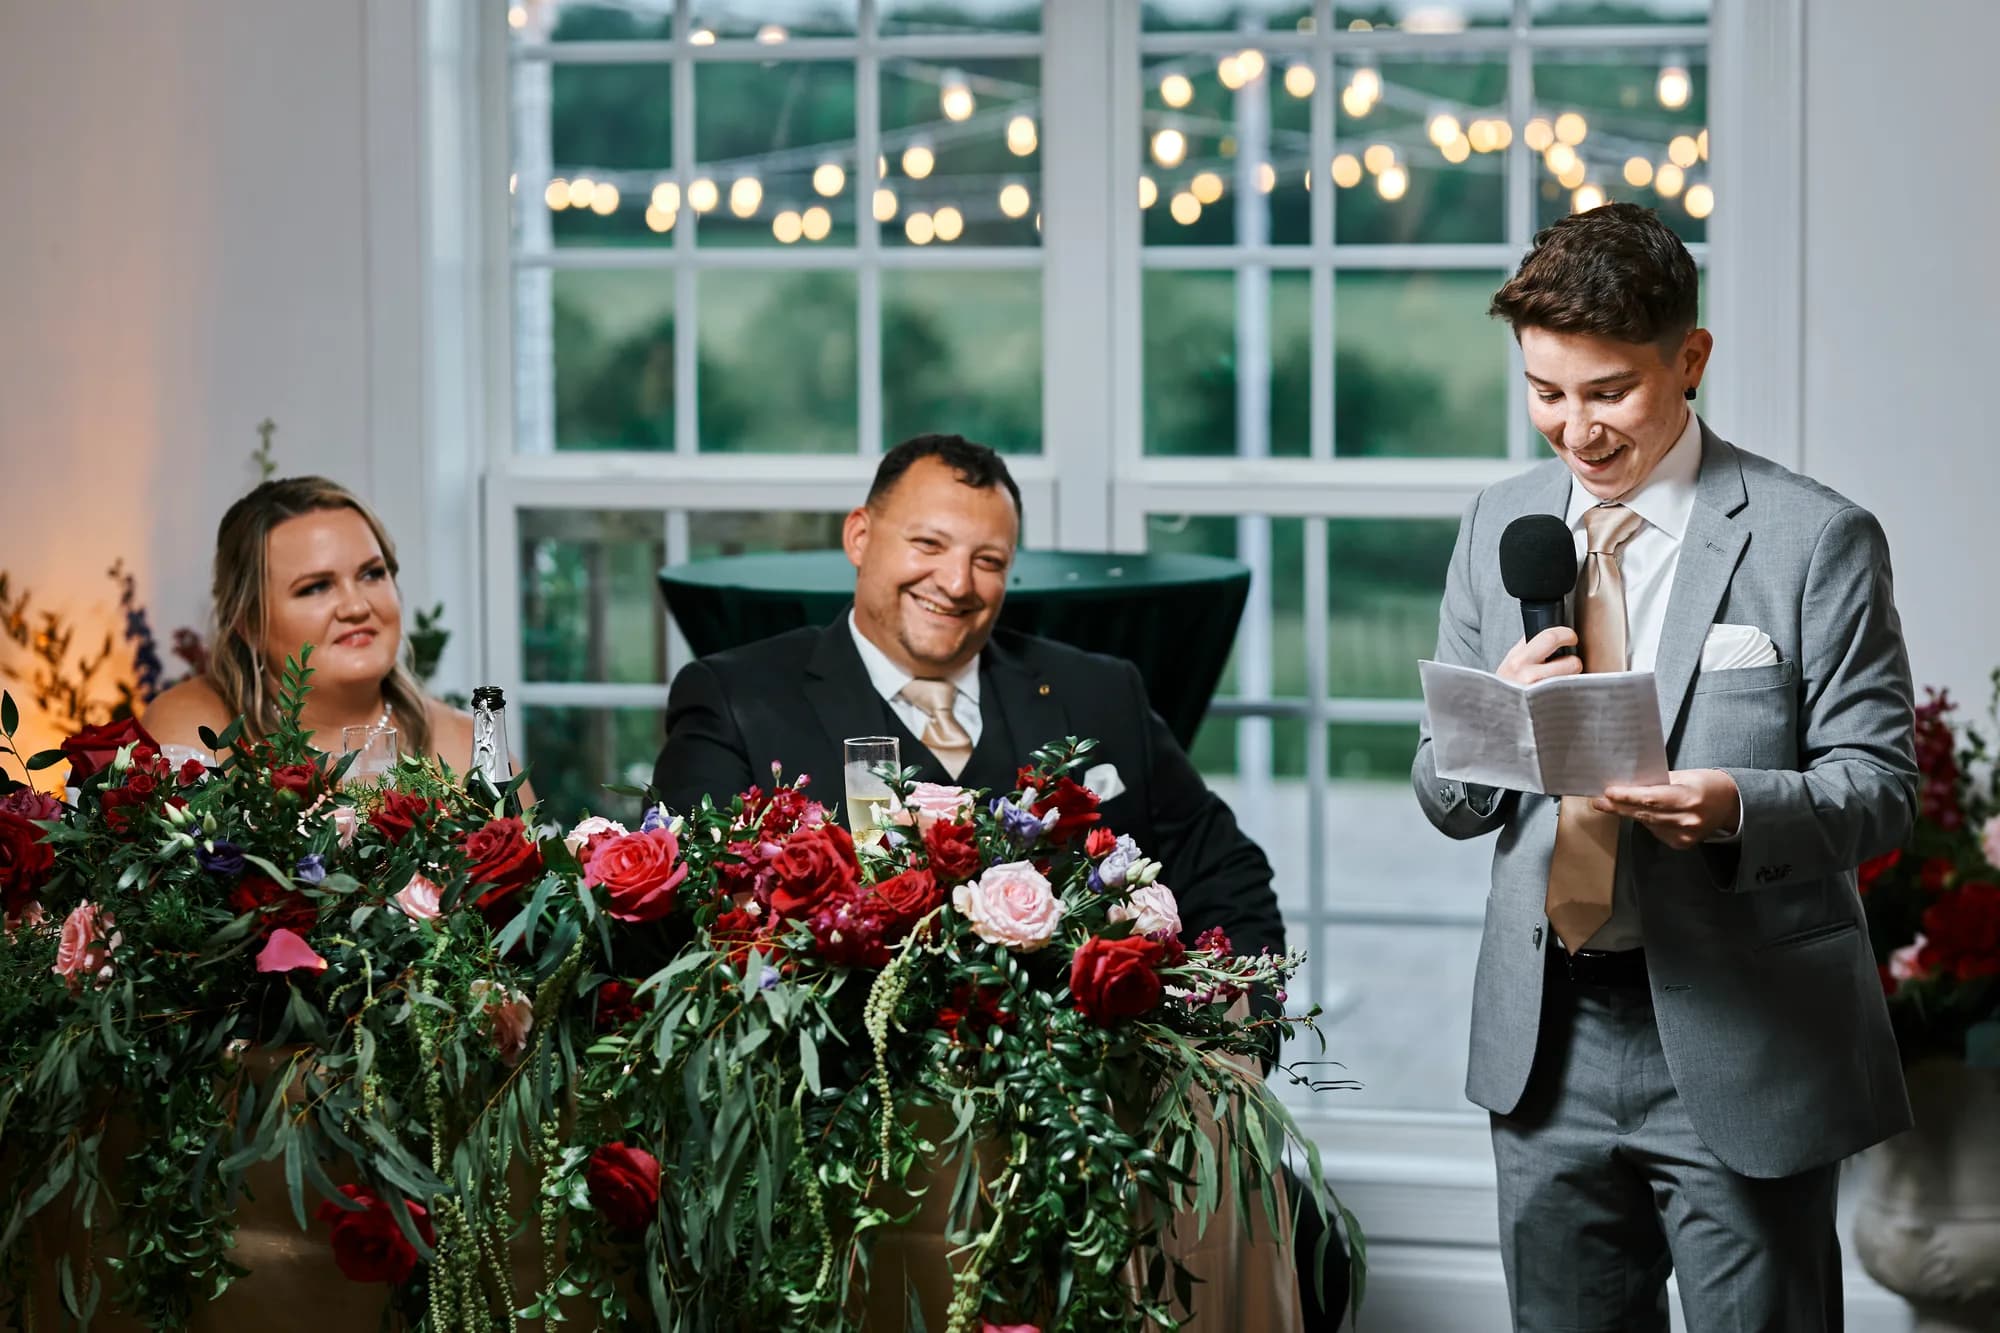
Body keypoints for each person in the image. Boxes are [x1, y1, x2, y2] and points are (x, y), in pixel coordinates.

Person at [654, 433, 1349, 1330]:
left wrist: (1232, 1038)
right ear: (860, 535)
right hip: (865, 1149)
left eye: (990, 560)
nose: (958, 581)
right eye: (928, 545)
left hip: (1106, 1137)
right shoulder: (740, 696)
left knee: (1295, 1237)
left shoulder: (1097, 693)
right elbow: (701, 920)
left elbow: (1224, 868)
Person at [1412, 203, 1914, 1330]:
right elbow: (1443, 797)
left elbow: (1879, 788)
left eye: (1607, 393)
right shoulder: (1500, 525)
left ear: (1687, 359)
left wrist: (1734, 804)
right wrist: (1494, 717)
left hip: (1745, 1040)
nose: (1573, 430)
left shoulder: (1811, 536)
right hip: (1545, 1044)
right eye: (1544, 392)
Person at [146, 476, 531, 799]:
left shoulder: (474, 750)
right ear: (248, 622)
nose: (356, 606)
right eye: (316, 587)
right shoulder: (193, 730)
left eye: (371, 574)